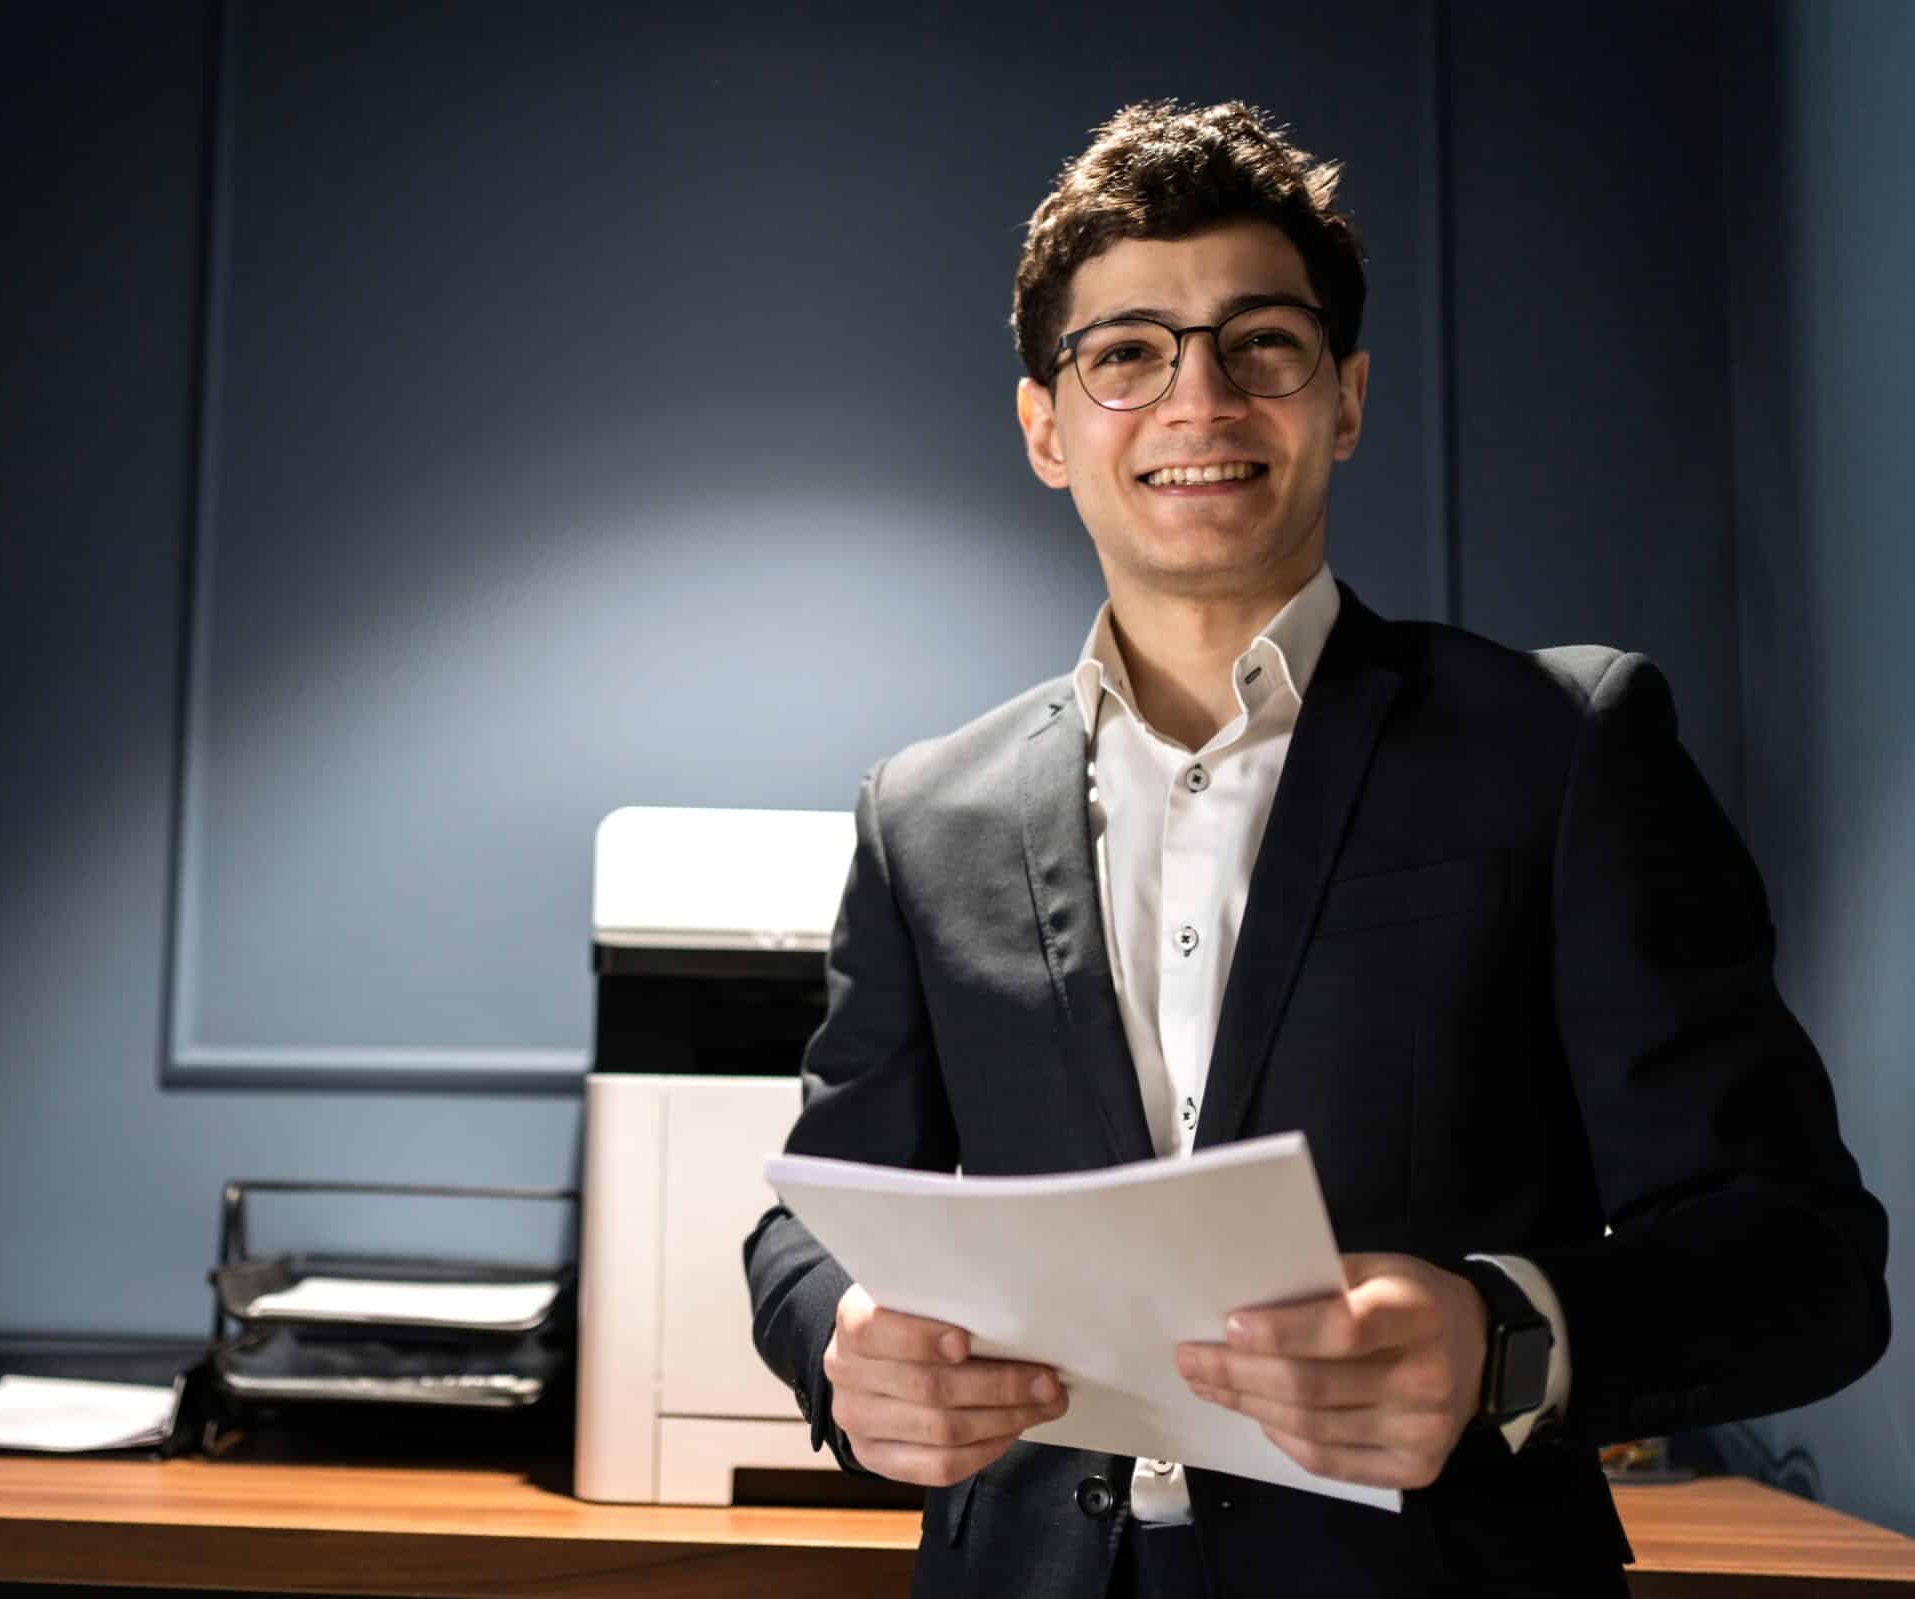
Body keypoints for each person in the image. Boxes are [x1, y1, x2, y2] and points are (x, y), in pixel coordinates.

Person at [740, 99, 1890, 1599]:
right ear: (1047, 426)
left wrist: (1505, 1335)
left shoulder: (1563, 745)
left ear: (1342, 400)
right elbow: (809, 1213)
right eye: (1127, 352)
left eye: (1260, 343)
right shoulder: (924, 811)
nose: (1198, 398)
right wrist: (839, 1336)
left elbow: (1803, 1259)